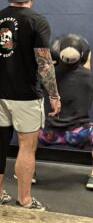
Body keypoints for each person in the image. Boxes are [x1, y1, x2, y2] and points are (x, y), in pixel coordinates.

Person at [0, 0, 60, 211]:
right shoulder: (37, 21)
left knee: (0, 142)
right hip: (26, 94)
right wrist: (54, 95)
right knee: (26, 146)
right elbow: (44, 63)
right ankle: (25, 200)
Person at [38, 34, 92, 190]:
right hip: (78, 135)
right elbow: (85, 67)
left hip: (48, 134)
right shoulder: (89, 78)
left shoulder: (47, 77)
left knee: (28, 134)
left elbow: (45, 66)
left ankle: (29, 171)